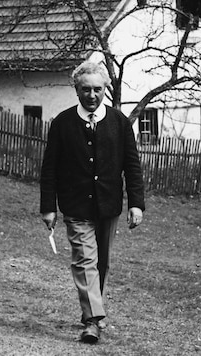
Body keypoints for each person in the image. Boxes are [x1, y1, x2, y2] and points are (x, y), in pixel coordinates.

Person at [40, 61, 145, 344]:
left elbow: (132, 165)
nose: (91, 95)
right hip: (76, 207)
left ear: (105, 89)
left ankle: (92, 312)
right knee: (85, 261)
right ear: (76, 90)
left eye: (97, 89)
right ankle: (93, 320)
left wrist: (136, 203)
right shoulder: (62, 123)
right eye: (85, 90)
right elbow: (49, 168)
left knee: (102, 263)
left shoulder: (120, 122)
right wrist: (48, 207)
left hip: (108, 206)